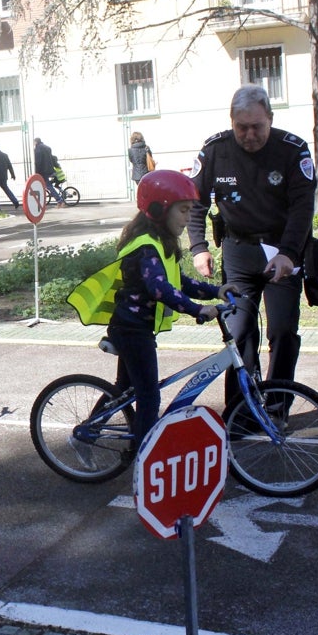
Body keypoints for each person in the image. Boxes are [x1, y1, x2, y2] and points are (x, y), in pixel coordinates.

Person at [67, 170, 236, 448]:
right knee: (149, 395)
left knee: (125, 388)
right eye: (182, 211)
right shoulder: (145, 247)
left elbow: (179, 282)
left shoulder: (160, 243)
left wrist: (216, 290)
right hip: (131, 330)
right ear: (159, 210)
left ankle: (92, 428)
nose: (187, 218)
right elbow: (160, 290)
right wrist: (197, 310)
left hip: (135, 327)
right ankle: (143, 455)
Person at [186, 84, 316, 407]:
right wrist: (198, 247)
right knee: (239, 331)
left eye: (256, 127)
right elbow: (194, 201)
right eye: (241, 127)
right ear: (232, 122)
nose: (249, 135)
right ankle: (241, 408)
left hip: (281, 251)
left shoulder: (293, 150)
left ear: (270, 118)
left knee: (283, 330)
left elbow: (303, 208)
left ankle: (277, 404)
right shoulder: (216, 151)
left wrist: (288, 253)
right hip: (238, 251)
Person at [33, 137, 65, 207]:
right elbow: (51, 159)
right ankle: (59, 202)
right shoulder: (48, 148)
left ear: (36, 142)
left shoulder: (38, 149)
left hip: (42, 171)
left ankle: (60, 201)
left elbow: (38, 161)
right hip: (49, 170)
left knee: (48, 186)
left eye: (34, 142)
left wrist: (36, 172)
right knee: (47, 185)